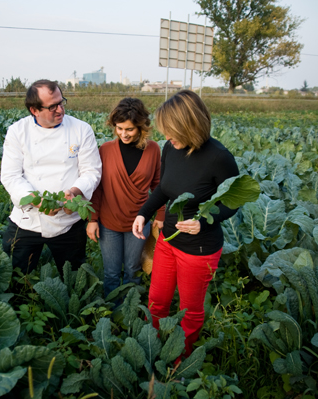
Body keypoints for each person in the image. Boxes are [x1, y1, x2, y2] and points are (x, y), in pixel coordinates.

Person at [132, 90, 240, 358]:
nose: (167, 138)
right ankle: (152, 348)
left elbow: (233, 201)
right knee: (157, 302)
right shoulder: (171, 148)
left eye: (172, 131)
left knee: (190, 311)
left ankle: (180, 359)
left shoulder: (219, 157)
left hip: (199, 249)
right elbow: (164, 190)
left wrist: (203, 222)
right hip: (168, 242)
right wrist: (143, 213)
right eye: (165, 132)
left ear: (191, 126)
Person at [1, 79, 102, 275]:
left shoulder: (81, 129)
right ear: (34, 110)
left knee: (74, 279)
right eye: (52, 106)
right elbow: (11, 176)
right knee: (14, 276)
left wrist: (74, 191)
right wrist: (37, 201)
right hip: (27, 218)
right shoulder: (18, 132)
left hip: (68, 220)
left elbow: (92, 171)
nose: (60, 110)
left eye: (61, 102)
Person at [86, 98, 165, 298]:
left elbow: (158, 185)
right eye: (119, 128)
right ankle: (113, 313)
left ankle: (130, 311)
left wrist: (161, 214)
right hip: (109, 222)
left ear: (141, 127)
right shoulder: (105, 150)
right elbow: (98, 189)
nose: (123, 134)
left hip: (139, 221)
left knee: (133, 269)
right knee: (111, 272)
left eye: (129, 129)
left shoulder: (153, 149)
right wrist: (92, 220)